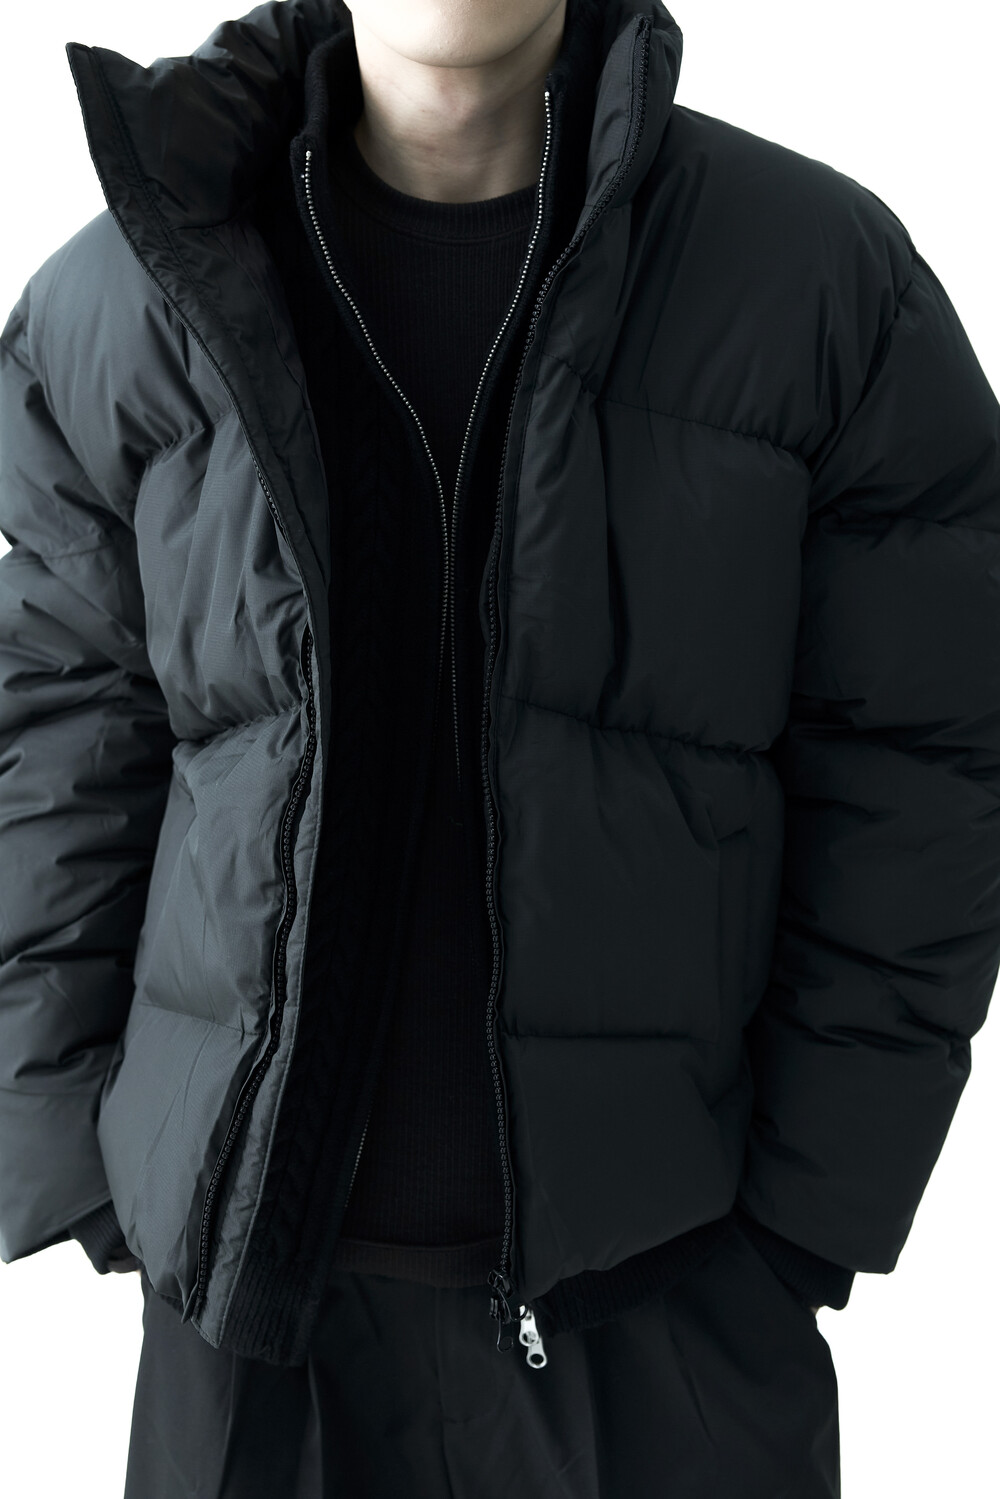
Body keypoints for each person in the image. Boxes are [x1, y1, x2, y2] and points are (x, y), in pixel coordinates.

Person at [1, 0, 998, 1493]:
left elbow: (928, 758)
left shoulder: (819, 283)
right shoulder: (125, 299)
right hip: (254, 1348)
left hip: (669, 1324)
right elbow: (60, 735)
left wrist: (808, 1213)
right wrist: (88, 1170)